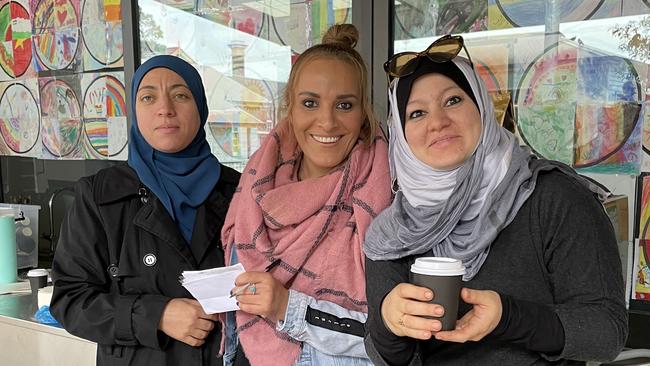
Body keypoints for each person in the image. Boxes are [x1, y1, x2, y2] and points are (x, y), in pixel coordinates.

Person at [363, 35, 628, 366]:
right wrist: (388, 322)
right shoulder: (396, 232)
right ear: (401, 135)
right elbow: (390, 357)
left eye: (453, 101)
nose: (437, 122)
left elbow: (606, 333)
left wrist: (509, 318)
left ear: (482, 107)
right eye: (416, 113)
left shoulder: (553, 198)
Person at [50, 55, 240, 366]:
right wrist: (156, 315)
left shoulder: (240, 191)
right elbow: (70, 300)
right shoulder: (99, 196)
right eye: (148, 97)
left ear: (201, 108)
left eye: (180, 95)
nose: (165, 108)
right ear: (135, 112)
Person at [221, 24, 392, 366]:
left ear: (362, 115)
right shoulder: (256, 184)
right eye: (310, 103)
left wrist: (287, 307)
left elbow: (391, 339)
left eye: (344, 105)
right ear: (291, 108)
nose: (326, 122)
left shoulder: (387, 192)